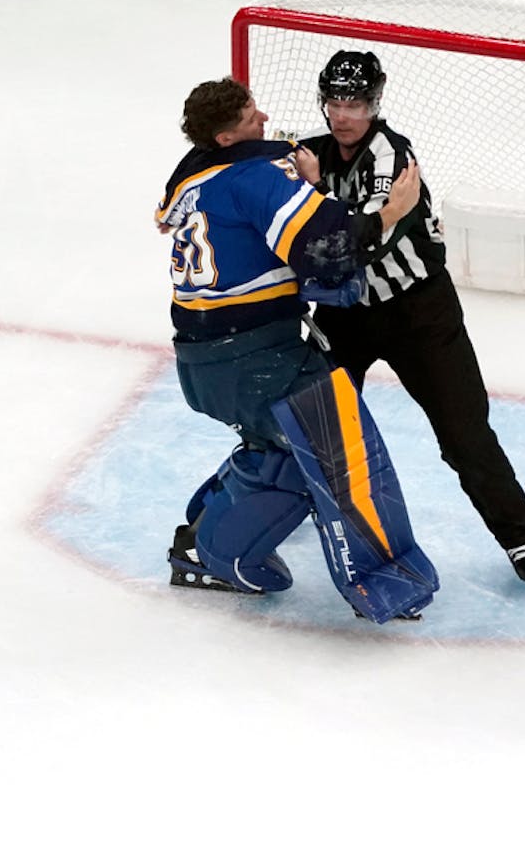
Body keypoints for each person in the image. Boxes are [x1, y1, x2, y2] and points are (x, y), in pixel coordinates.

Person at [155, 76, 439, 623]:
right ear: (225, 137)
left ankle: (199, 540)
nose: (263, 119)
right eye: (249, 116)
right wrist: (390, 213)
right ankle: (381, 584)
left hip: (207, 363)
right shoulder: (253, 179)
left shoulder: (194, 179)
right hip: (257, 359)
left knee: (278, 448)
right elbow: (328, 254)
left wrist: (309, 191)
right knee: (340, 457)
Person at [294, 49, 525, 584]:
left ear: (376, 102)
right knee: (314, 423)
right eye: (334, 102)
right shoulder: (308, 153)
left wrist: (316, 199)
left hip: (419, 314)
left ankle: (518, 534)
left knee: (463, 434)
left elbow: (352, 243)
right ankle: (286, 508)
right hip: (345, 316)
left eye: (355, 103)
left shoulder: (394, 158)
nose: (342, 115)